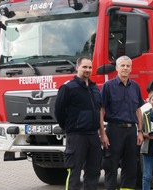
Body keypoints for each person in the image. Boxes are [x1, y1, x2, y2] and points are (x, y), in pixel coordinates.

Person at [54, 56, 109, 190]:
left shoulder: (94, 88)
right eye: (84, 67)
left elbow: (99, 111)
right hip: (76, 136)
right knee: (74, 172)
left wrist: (102, 133)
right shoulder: (68, 88)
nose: (87, 70)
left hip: (93, 136)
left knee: (94, 172)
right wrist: (69, 128)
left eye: (90, 67)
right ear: (77, 67)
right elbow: (58, 111)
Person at [100, 55, 144, 190]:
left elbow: (138, 111)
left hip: (131, 131)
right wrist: (102, 133)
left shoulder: (135, 87)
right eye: (122, 66)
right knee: (111, 165)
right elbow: (101, 111)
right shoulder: (108, 86)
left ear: (131, 68)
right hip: (114, 131)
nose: (125, 68)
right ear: (117, 68)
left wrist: (140, 131)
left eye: (128, 66)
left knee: (131, 165)